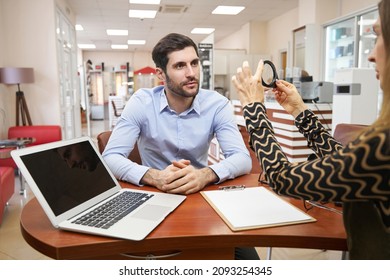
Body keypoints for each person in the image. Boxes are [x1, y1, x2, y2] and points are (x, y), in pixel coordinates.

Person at [231, 0, 390, 260]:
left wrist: (254, 109)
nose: (371, 54)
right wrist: (299, 111)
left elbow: (282, 178)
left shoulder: (383, 145)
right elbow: (343, 159)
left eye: (379, 36)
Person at [102, 33, 257, 259]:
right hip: (152, 195)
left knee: (247, 259)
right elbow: (110, 157)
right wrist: (154, 176)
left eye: (194, 63)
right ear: (160, 74)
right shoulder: (142, 102)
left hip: (200, 195)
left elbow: (242, 158)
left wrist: (206, 174)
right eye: (180, 66)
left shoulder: (217, 104)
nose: (191, 73)